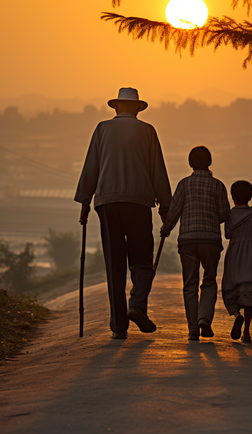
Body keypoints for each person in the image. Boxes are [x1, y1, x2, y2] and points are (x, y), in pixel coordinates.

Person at [74, 87, 171, 339]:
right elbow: (157, 169)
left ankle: (119, 327)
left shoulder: (102, 129)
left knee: (114, 264)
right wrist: (166, 206)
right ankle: (137, 304)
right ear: (137, 108)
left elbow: (91, 167)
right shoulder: (148, 131)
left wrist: (85, 201)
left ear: (116, 107)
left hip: (107, 202)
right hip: (139, 203)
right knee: (142, 261)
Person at [160, 146, 230, 340]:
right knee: (209, 282)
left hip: (188, 240)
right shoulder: (218, 186)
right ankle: (204, 319)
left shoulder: (184, 185)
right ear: (209, 163)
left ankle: (192, 330)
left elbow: (174, 212)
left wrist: (165, 229)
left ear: (190, 163)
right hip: (211, 241)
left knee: (189, 285)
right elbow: (224, 215)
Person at [221, 180, 252, 343]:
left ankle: (236, 315)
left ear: (233, 197)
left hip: (235, 254)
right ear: (250, 196)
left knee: (231, 287)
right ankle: (246, 332)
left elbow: (227, 234)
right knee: (249, 293)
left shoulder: (230, 214)